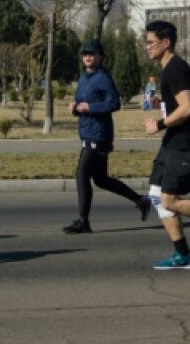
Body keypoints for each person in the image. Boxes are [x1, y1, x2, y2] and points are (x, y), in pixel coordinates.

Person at [142, 20, 190, 270]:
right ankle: (183, 254)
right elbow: (181, 104)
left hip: (182, 141)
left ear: (166, 43)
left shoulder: (175, 68)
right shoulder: (169, 69)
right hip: (172, 141)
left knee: (169, 201)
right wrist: (163, 107)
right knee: (156, 195)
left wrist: (160, 123)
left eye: (151, 43)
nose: (147, 48)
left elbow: (186, 109)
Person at [63, 38, 151, 234]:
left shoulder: (103, 77)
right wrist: (76, 108)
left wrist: (91, 107)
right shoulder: (84, 78)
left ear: (100, 57)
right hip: (87, 132)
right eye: (85, 54)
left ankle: (83, 221)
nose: (87, 57)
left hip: (99, 136)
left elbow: (114, 103)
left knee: (81, 175)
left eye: (92, 53)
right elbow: (83, 104)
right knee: (101, 179)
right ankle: (140, 200)